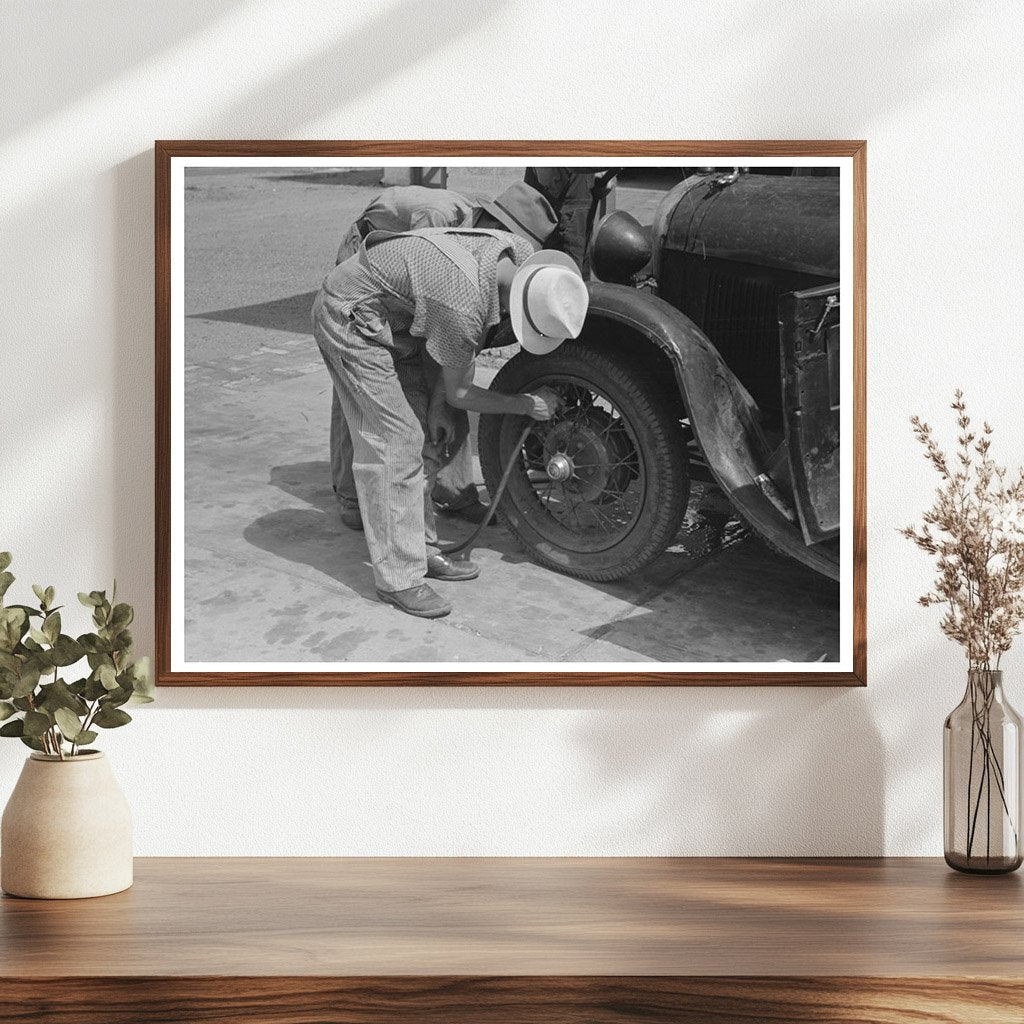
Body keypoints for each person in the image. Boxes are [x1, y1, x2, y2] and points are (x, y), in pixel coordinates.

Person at [312, 228, 589, 619]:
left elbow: (457, 360)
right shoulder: (463, 306)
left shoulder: (517, 252)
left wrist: (439, 405)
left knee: (423, 432)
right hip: (350, 316)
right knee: (396, 440)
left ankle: (420, 550)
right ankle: (399, 580)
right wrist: (526, 404)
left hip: (397, 318)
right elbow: (462, 389)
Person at [329, 183, 558, 530]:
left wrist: (447, 388)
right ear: (495, 225)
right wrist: (520, 403)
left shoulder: (488, 255)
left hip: (416, 289)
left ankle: (454, 492)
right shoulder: (437, 221)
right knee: (361, 386)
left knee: (450, 369)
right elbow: (436, 310)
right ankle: (352, 495)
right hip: (362, 266)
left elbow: (456, 359)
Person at [523, 167, 619, 276]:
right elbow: (549, 182)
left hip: (577, 206)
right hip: (562, 209)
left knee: (576, 272)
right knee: (565, 272)